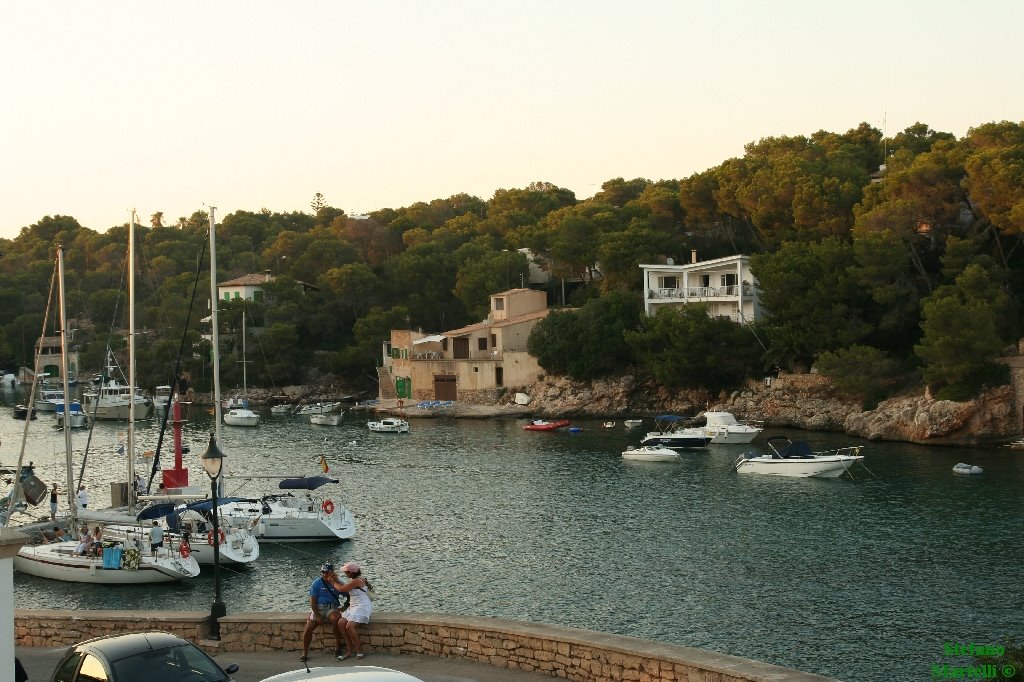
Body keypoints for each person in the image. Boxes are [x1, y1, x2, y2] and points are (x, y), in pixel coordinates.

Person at [300, 562, 344, 662]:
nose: (324, 574)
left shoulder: (337, 582)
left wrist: (336, 581)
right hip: (318, 608)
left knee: (336, 620)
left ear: (332, 572)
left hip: (332, 608)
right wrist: (317, 615)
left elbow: (346, 592)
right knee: (308, 627)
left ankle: (337, 645)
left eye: (326, 572)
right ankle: (305, 652)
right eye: (323, 572)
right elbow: (312, 601)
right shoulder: (316, 583)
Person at [333, 561, 373, 660]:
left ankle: (359, 650)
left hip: (362, 606)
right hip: (353, 606)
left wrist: (332, 582)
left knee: (350, 626)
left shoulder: (357, 581)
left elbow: (342, 589)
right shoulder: (353, 579)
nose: (345, 573)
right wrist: (336, 579)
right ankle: (349, 648)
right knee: (341, 623)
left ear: (351, 572)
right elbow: (345, 586)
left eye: (346, 572)